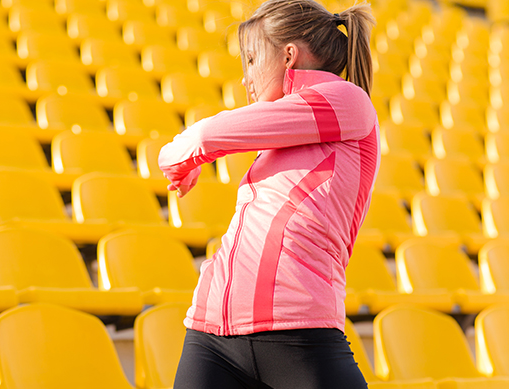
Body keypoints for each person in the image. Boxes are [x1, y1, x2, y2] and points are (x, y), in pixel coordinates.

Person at [158, 0, 378, 388]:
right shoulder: (285, 127)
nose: (246, 79)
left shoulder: (348, 101)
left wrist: (179, 160)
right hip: (211, 334)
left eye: (251, 59)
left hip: (300, 334)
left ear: (289, 56)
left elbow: (205, 137)